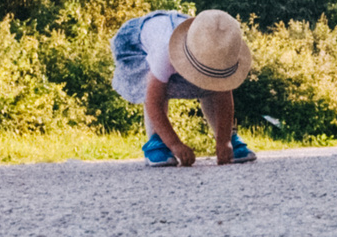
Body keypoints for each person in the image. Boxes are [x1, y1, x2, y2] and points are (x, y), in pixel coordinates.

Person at [109, 9, 257, 167]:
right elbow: (154, 102)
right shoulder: (164, 53)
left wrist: (224, 140)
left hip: (176, 35)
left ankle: (230, 137)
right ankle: (157, 141)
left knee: (212, 81)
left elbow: (223, 92)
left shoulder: (217, 44)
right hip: (137, 45)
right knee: (154, 86)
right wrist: (174, 144)